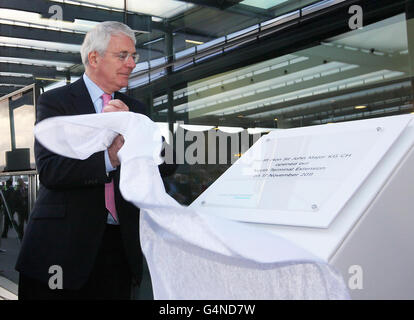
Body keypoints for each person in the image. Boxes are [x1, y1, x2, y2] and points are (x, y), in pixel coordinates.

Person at [16, 21, 147, 300]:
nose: (131, 63)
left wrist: (138, 132)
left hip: (119, 250)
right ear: (94, 58)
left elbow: (166, 163)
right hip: (61, 248)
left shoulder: (135, 109)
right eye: (122, 55)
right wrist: (110, 158)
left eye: (133, 56)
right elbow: (51, 171)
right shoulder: (56, 102)